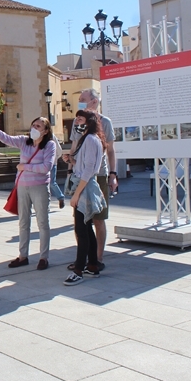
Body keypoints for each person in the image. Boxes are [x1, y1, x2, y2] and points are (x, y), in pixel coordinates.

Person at [0, 116, 56, 270]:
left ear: (46, 131)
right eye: (33, 125)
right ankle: (23, 256)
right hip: (22, 187)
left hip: (39, 187)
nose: (34, 128)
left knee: (42, 223)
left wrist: (25, 167)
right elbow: (7, 139)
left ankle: (43, 257)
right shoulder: (24, 141)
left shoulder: (49, 145)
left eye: (39, 126)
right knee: (23, 222)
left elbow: (46, 167)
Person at [63, 88, 115, 270]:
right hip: (80, 175)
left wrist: (113, 175)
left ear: (94, 101)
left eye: (83, 99)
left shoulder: (103, 124)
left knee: (97, 219)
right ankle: (85, 257)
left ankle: (97, 259)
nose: (80, 101)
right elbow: (75, 146)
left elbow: (110, 151)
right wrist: (70, 167)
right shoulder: (80, 124)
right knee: (81, 221)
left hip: (96, 176)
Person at [63, 110, 107, 286]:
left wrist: (77, 194)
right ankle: (93, 265)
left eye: (80, 118)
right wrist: (72, 161)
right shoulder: (89, 139)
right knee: (87, 228)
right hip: (85, 183)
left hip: (85, 186)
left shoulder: (89, 139)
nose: (76, 122)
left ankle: (79, 270)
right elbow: (85, 165)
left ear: (89, 121)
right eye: (76, 118)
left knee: (81, 230)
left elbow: (89, 169)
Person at [50, 136, 65, 209]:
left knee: (52, 182)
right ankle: (45, 202)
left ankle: (60, 197)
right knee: (45, 184)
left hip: (52, 163)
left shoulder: (51, 136)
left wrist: (54, 158)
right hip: (41, 164)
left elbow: (59, 150)